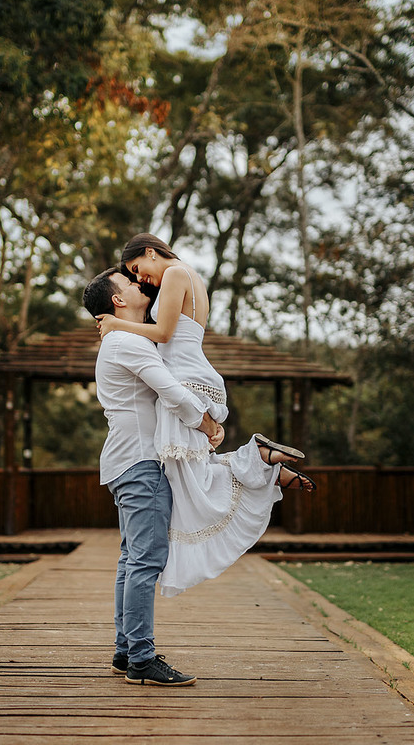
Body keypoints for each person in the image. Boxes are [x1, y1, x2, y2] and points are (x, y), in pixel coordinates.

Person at [96, 233, 316, 598]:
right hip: (193, 374)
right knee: (191, 474)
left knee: (190, 479)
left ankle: (258, 460)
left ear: (151, 252)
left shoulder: (175, 275)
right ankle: (261, 462)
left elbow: (164, 334)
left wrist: (118, 325)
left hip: (183, 377)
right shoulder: (189, 276)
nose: (142, 279)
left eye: (139, 269)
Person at [83, 266, 217, 687]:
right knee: (145, 561)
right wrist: (208, 424)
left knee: (131, 560)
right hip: (141, 463)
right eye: (128, 283)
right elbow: (172, 391)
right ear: (117, 301)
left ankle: (126, 653)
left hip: (126, 460)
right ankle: (142, 659)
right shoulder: (126, 341)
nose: (139, 283)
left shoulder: (122, 338)